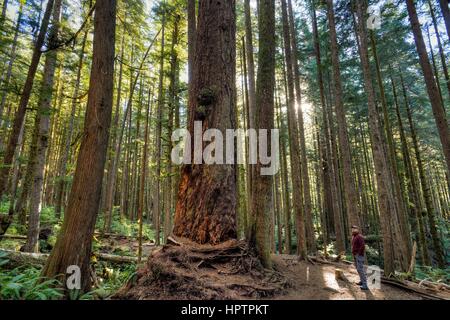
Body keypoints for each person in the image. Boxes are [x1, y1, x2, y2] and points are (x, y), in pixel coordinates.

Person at [351, 225, 369, 290]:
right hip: (355, 255)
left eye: (355, 229)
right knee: (358, 269)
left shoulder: (359, 236)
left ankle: (365, 285)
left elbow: (363, 246)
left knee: (360, 269)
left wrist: (358, 253)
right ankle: (362, 281)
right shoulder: (354, 236)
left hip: (359, 255)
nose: (353, 230)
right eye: (352, 229)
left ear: (357, 230)